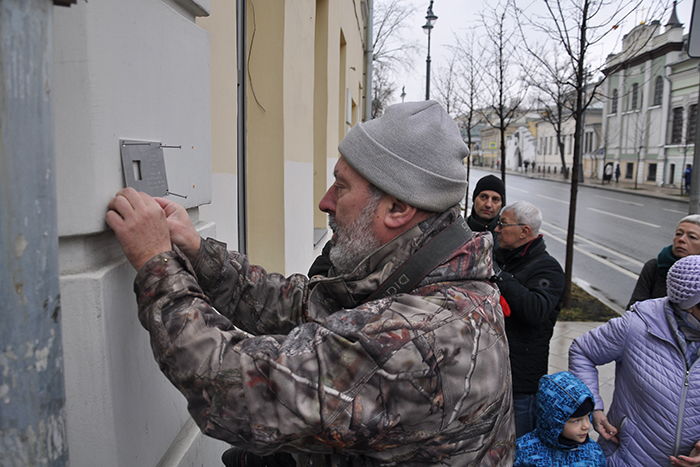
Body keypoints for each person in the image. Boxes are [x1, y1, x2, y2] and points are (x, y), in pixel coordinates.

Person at [106, 100, 515, 466]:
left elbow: (234, 388)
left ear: (397, 208)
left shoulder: (421, 336)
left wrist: (156, 262)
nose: (325, 201)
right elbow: (306, 305)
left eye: (341, 185)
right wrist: (198, 254)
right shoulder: (427, 277)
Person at [569, 254, 700, 466]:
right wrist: (593, 407)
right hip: (628, 459)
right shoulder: (637, 325)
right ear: (689, 306)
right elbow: (583, 351)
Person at [492, 200, 565, 438]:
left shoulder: (548, 268)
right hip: (493, 374)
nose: (497, 229)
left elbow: (535, 310)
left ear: (525, 231)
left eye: (503, 224)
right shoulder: (502, 257)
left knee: (518, 448)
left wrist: (499, 276)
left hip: (521, 383)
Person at [514, 371, 606, 467]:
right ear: (553, 421)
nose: (586, 426)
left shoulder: (593, 453)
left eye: (588, 416)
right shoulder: (525, 451)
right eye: (576, 421)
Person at [627, 215, 700, 309]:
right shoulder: (654, 267)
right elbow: (633, 309)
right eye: (678, 234)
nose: (681, 239)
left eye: (692, 237)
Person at [467, 174, 506, 247]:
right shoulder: (459, 230)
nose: (488, 205)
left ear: (501, 204)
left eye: (495, 199)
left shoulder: (507, 235)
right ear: (474, 199)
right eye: (484, 197)